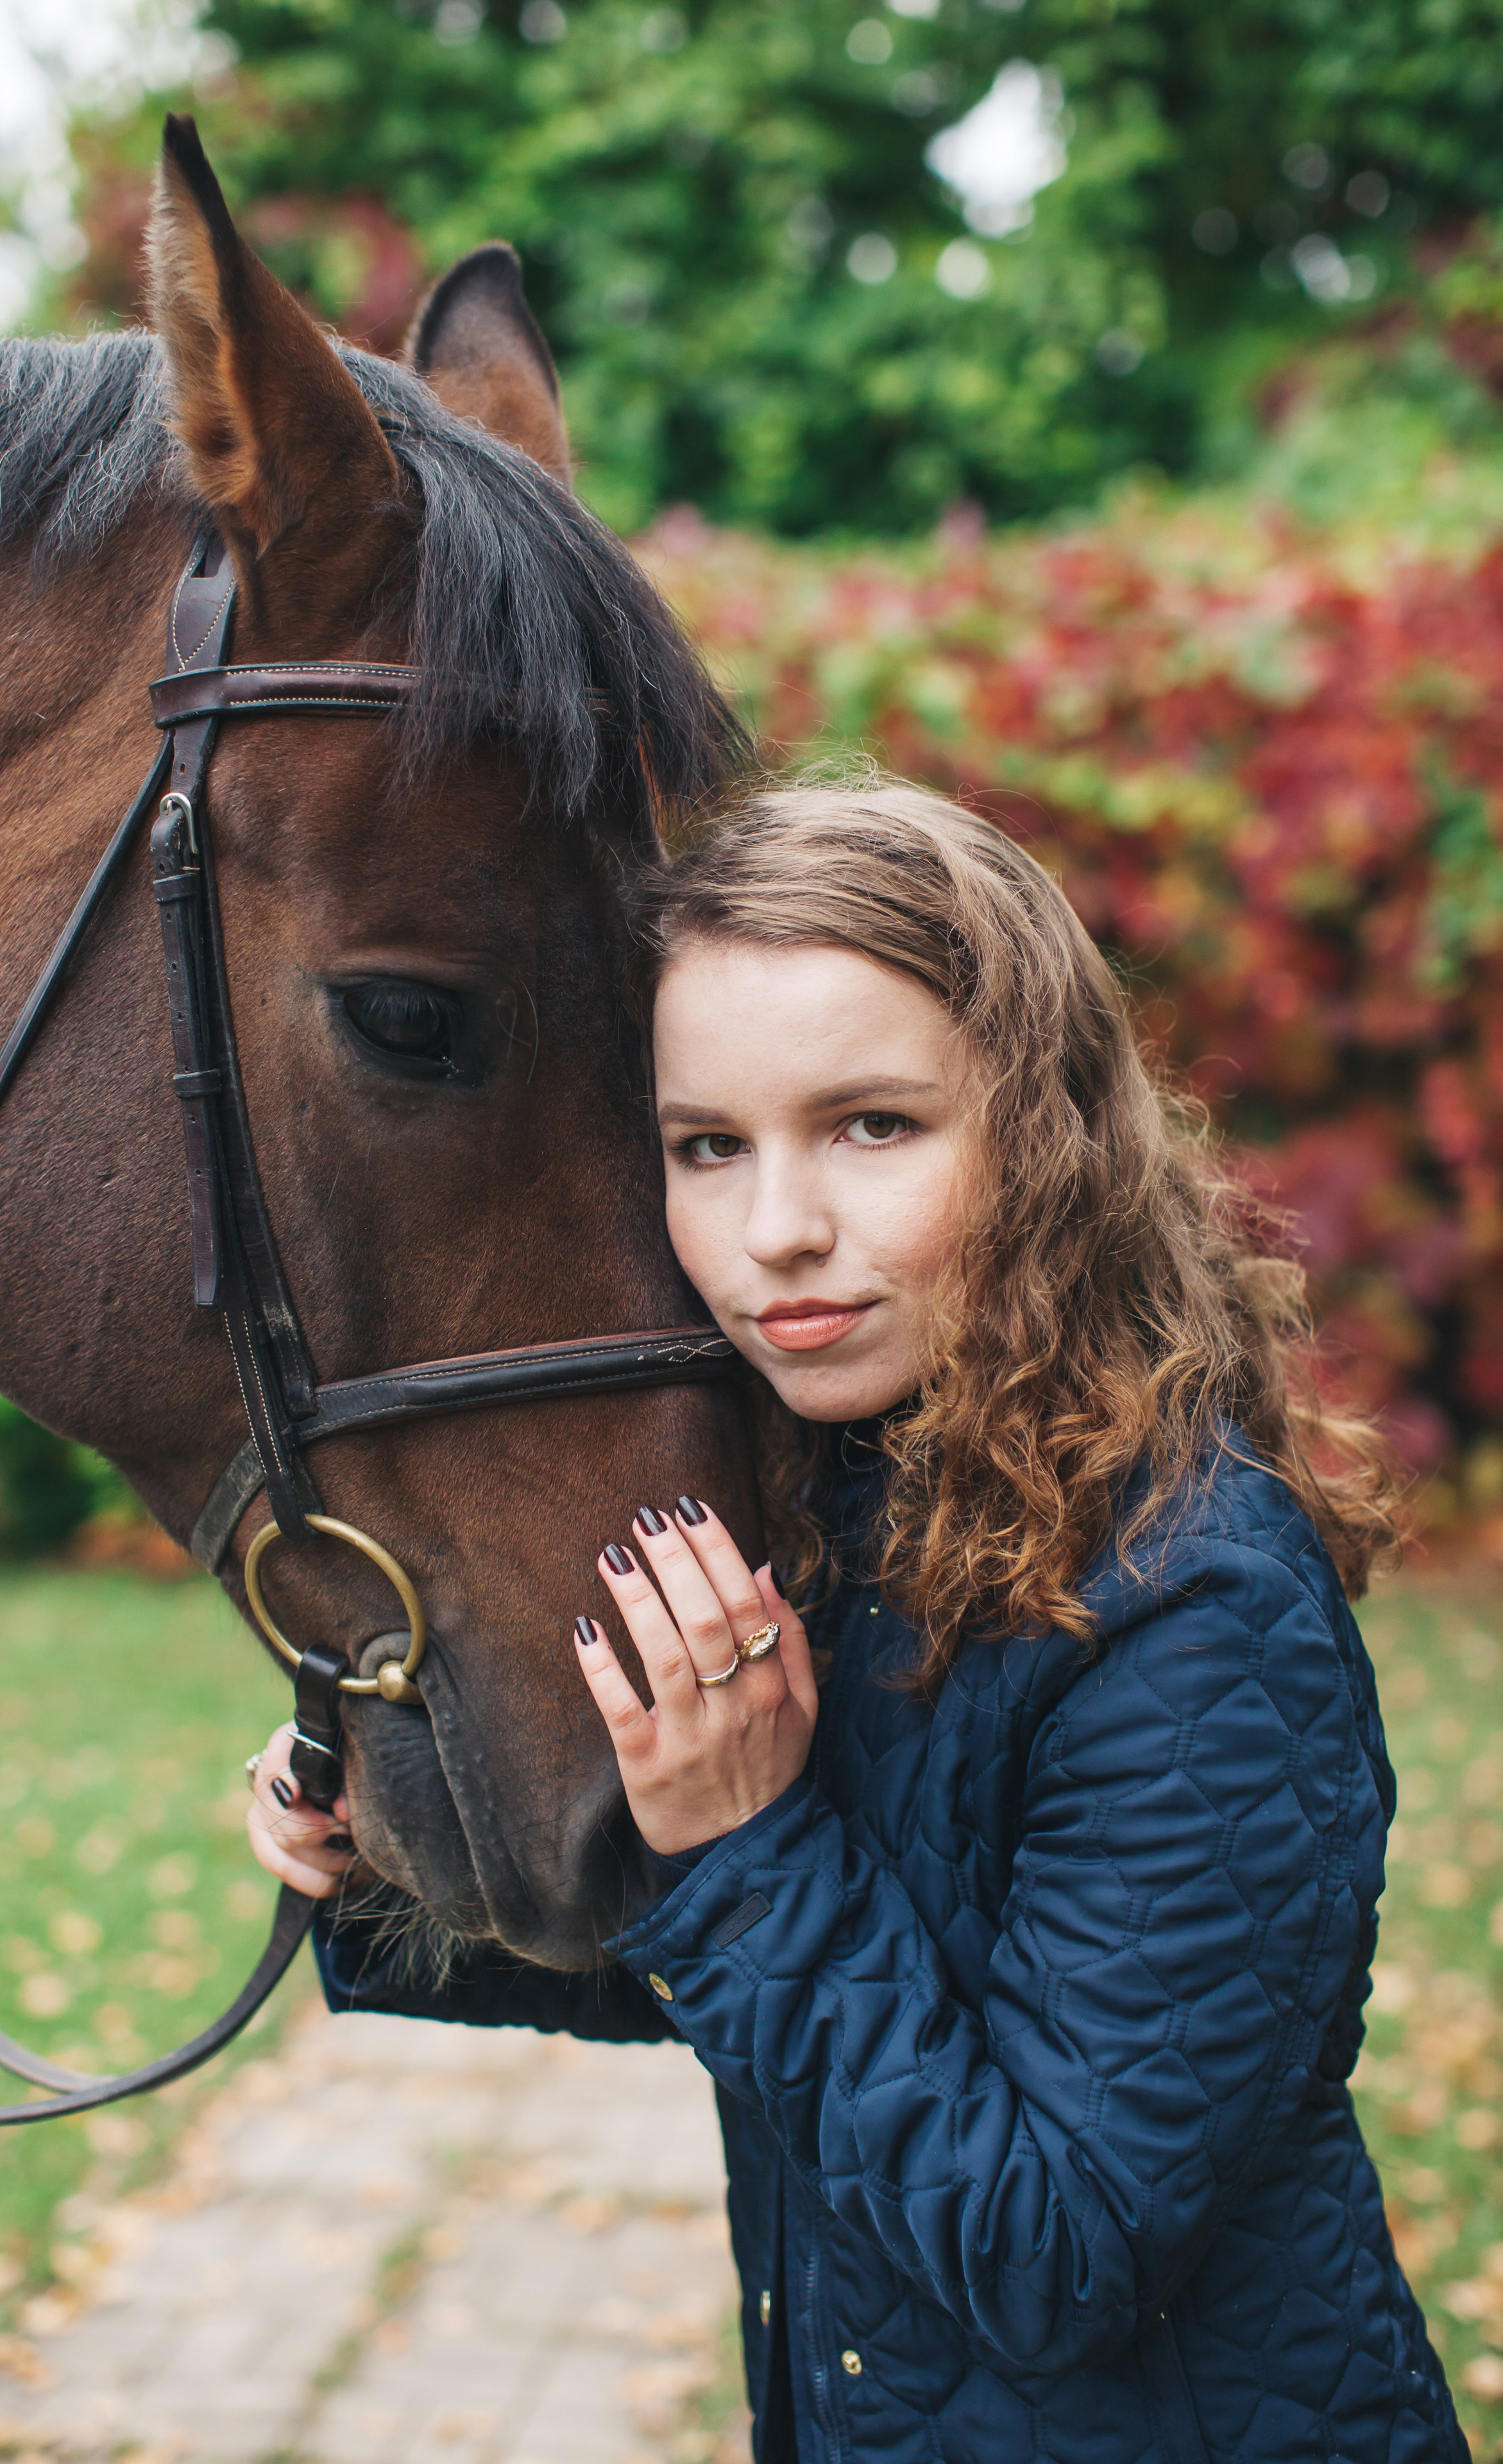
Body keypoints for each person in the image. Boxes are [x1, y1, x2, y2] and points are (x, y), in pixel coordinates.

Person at [245, 780, 1463, 2463]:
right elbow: (772, 1994)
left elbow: (1056, 2254)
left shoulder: (1197, 1607)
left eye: (873, 1126)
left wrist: (745, 1846)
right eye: (707, 1148)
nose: (774, 1233)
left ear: (1044, 1136)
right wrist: (400, 1866)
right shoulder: (836, 1496)